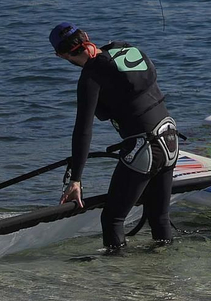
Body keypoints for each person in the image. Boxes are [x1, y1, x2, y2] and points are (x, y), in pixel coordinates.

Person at [51, 23, 180, 254]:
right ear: (86, 35)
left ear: (60, 55)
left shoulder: (90, 77)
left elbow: (83, 130)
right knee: (159, 216)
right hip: (170, 136)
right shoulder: (123, 47)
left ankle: (117, 274)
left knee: (112, 219)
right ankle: (165, 267)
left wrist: (75, 180)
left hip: (145, 147)